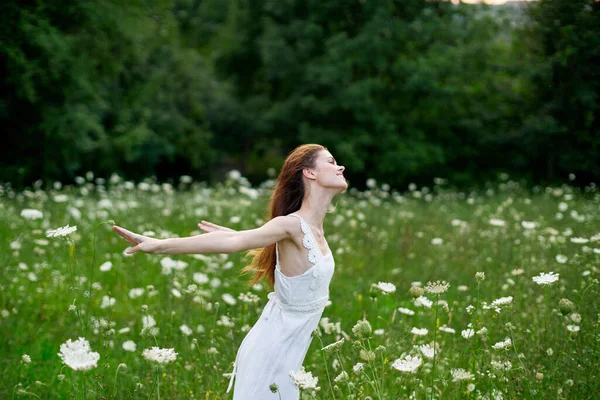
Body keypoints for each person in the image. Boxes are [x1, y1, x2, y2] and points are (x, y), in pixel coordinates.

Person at [112, 144, 347, 399]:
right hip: (271, 352)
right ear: (309, 173)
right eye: (331, 161)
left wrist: (242, 236)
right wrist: (158, 246)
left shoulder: (313, 230)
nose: (340, 167)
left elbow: (249, 242)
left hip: (290, 356)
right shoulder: (290, 225)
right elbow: (233, 245)